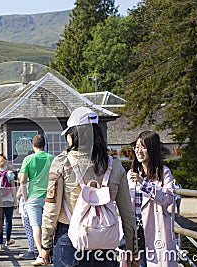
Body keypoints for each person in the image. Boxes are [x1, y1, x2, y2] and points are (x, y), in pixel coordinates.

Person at [41, 107, 138, 267]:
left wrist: (45, 244)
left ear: (74, 135)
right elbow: (127, 212)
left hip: (70, 239)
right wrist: (132, 249)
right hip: (105, 240)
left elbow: (52, 209)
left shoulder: (62, 163)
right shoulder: (114, 165)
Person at [128, 130, 177, 267]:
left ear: (152, 149)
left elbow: (169, 198)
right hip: (135, 233)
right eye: (136, 147)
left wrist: (144, 183)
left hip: (156, 229)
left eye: (143, 147)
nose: (139, 151)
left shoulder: (163, 172)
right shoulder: (130, 174)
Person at [18, 134, 55, 266]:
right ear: (44, 145)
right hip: (50, 197)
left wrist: (25, 198)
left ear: (33, 146)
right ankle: (50, 252)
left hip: (33, 197)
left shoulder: (28, 159)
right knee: (50, 226)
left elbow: (22, 181)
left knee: (36, 227)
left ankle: (40, 254)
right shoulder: (52, 158)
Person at [0, 155, 17, 251]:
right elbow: (13, 188)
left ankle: (0, 243)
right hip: (8, 200)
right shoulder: (9, 174)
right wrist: (15, 200)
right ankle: (8, 240)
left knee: (0, 221)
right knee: (8, 220)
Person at [16, 185, 36, 260]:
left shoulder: (24, 183)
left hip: (25, 208)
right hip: (35, 206)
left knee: (29, 231)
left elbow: (18, 195)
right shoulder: (36, 182)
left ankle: (31, 250)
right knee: (37, 229)